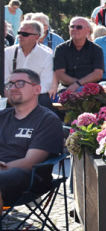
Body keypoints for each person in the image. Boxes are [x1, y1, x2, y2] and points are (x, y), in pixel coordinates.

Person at [0, 69, 63, 211]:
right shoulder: (2, 116)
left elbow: (30, 163)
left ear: (37, 89)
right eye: (10, 84)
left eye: (20, 83)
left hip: (30, 177)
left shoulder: (47, 120)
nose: (13, 88)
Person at [4, 21, 55, 110]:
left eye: (25, 34)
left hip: (36, 96)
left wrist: (27, 95)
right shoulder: (7, 52)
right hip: (12, 94)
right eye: (19, 33)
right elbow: (5, 80)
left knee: (44, 103)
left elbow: (46, 84)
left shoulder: (46, 55)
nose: (20, 36)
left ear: (36, 37)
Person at [53, 17, 104, 93]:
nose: (75, 29)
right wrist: (77, 84)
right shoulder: (61, 49)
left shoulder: (96, 49)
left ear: (87, 31)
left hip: (91, 89)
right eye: (72, 27)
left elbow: (98, 74)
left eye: (79, 27)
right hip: (66, 87)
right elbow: (59, 74)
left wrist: (78, 84)